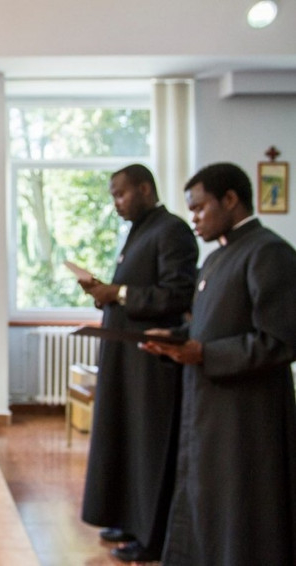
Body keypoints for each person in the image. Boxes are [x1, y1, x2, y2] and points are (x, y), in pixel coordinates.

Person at [141, 162, 296, 565]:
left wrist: (205, 355)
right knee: (204, 503)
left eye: (199, 207)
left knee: (241, 512)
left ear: (230, 199)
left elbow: (280, 341)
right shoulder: (214, 259)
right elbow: (208, 326)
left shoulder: (268, 252)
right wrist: (173, 339)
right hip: (209, 407)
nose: (193, 218)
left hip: (247, 418)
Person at [78, 164, 198, 562]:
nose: (116, 203)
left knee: (151, 450)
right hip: (125, 360)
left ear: (145, 189)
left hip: (151, 362)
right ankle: (130, 522)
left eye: (121, 193)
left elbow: (176, 295)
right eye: (113, 196)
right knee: (127, 441)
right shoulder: (139, 231)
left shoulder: (172, 230)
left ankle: (153, 537)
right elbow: (131, 291)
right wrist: (106, 294)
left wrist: (120, 293)